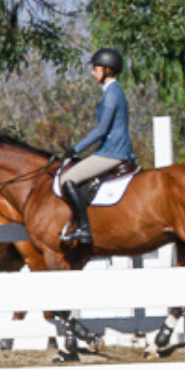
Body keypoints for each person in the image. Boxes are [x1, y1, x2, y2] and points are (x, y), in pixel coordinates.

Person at [58, 48, 134, 245]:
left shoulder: (112, 94)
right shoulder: (112, 92)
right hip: (112, 149)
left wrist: (76, 149)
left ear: (107, 70)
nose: (93, 73)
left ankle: (84, 228)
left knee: (68, 178)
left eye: (96, 69)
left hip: (112, 152)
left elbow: (101, 129)